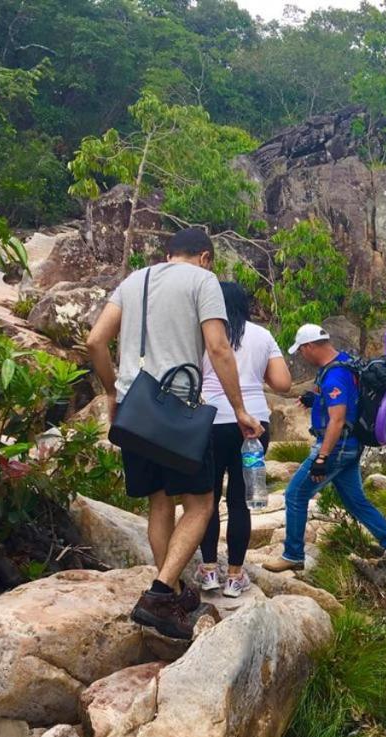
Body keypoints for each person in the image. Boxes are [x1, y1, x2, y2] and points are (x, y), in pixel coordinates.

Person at [86, 228, 262, 640]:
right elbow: (218, 348)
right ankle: (161, 593)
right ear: (205, 256)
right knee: (200, 504)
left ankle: (175, 591)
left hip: (135, 411)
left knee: (159, 503)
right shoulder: (204, 281)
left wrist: (113, 391)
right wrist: (239, 409)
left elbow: (95, 340)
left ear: (167, 255)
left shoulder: (135, 280)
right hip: (177, 410)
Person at [262, 322, 386, 573]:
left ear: (310, 346)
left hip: (337, 445)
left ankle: (293, 554)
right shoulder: (345, 362)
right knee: (356, 502)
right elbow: (344, 401)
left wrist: (322, 458)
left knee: (295, 495)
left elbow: (338, 420)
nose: (301, 355)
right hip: (351, 445)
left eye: (301, 350)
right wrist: (315, 399)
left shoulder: (335, 376)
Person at [197, 282, 292, 597]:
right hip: (253, 426)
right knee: (240, 503)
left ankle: (209, 570)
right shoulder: (262, 336)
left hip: (208, 423)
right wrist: (256, 372)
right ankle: (236, 577)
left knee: (206, 501)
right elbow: (282, 382)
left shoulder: (203, 334)